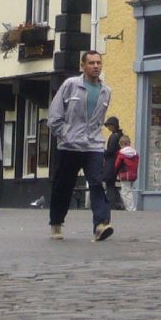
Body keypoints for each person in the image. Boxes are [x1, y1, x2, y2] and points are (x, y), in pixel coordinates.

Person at [47, 50, 114, 242]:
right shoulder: (70, 85)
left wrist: (96, 139)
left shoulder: (106, 91)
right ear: (82, 66)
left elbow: (98, 119)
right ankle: (56, 223)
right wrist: (64, 134)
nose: (95, 66)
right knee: (64, 186)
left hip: (93, 145)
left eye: (98, 63)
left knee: (97, 183)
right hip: (69, 145)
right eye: (91, 63)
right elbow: (55, 115)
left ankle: (101, 224)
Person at [114, 144, 138, 209]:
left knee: (125, 192)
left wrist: (115, 172)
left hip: (124, 174)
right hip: (133, 175)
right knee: (128, 191)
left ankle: (131, 208)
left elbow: (117, 165)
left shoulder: (121, 154)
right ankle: (130, 207)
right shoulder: (135, 153)